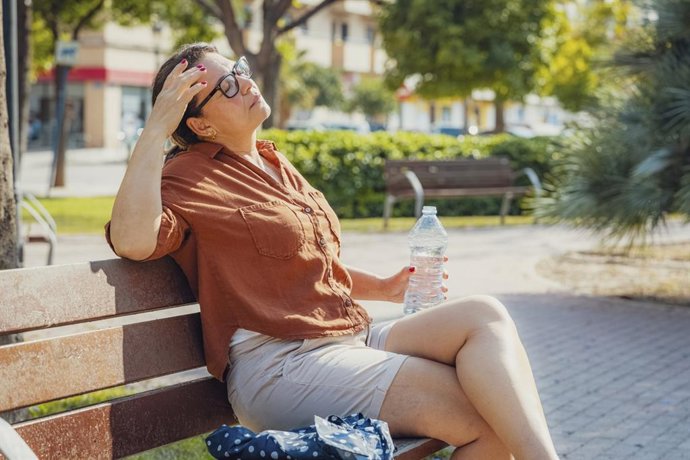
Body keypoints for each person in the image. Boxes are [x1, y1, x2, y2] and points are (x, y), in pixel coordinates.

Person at [107, 43, 559, 460]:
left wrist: (385, 288)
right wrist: (155, 131)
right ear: (201, 125)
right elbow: (132, 239)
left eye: (239, 70)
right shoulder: (187, 176)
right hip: (282, 364)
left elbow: (304, 265)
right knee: (487, 415)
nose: (244, 82)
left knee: (484, 315)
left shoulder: (273, 162)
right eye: (226, 87)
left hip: (345, 339)